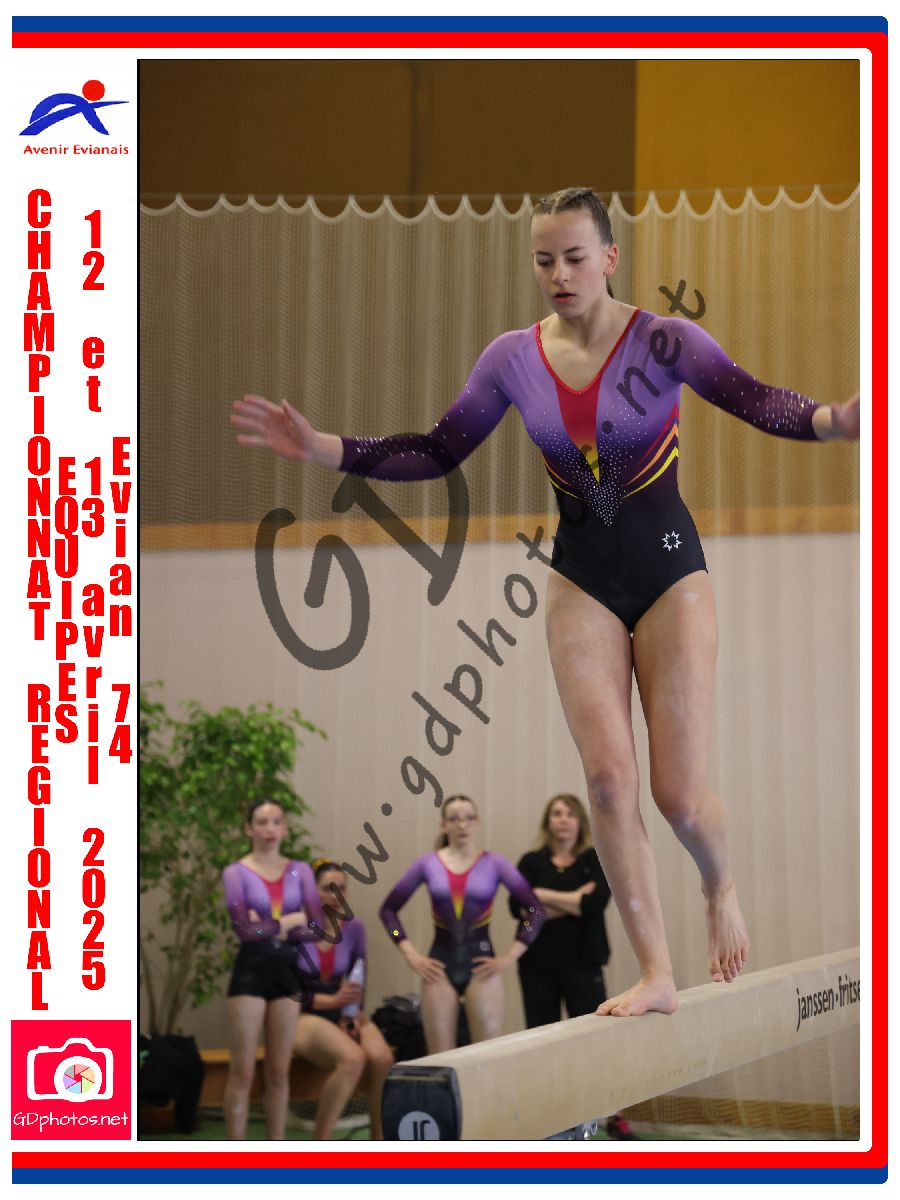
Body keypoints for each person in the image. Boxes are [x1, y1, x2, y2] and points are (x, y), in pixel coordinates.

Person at [232, 185, 860, 1018]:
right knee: (607, 783)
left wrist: (834, 420)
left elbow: (756, 398)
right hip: (580, 580)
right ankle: (657, 972)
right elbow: (438, 449)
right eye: (543, 260)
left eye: (573, 258)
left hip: (671, 574)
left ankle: (719, 882)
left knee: (677, 795)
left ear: (609, 258)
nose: (559, 274)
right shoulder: (512, 359)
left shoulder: (667, 341)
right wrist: (323, 447)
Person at [378, 795, 546, 1052]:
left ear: (477, 822)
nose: (462, 825)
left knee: (486, 1055)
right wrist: (410, 954)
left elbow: (536, 910)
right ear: (443, 825)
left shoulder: (495, 864)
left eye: (468, 818)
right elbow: (388, 910)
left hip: (482, 968)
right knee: (440, 1058)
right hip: (439, 968)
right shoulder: (428, 864)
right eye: (454, 819)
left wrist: (510, 957)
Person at [512, 793, 634, 1139]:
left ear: (580, 821)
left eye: (569, 813)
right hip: (537, 964)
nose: (563, 819)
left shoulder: (594, 859)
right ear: (547, 822)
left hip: (583, 962)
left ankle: (609, 1115)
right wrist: (574, 899)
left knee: (594, 1039)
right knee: (541, 1039)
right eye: (556, 813)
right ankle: (547, 1118)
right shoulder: (531, 862)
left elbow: (595, 903)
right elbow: (517, 907)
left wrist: (540, 896)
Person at [221, 799, 324, 1140]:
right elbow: (244, 931)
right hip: (250, 974)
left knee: (279, 1071)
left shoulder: (301, 871)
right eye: (262, 822)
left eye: (275, 821)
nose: (269, 829)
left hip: (287, 973)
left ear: (285, 828)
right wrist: (289, 921)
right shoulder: (236, 873)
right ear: (248, 828)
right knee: (243, 1071)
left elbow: (317, 927)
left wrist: (267, 926)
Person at [296, 860, 395, 1139]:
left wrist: (351, 1014)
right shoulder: (295, 928)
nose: (336, 896)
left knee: (382, 1058)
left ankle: (379, 1140)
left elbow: (358, 976)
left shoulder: (353, 928)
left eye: (342, 888)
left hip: (342, 1008)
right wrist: (332, 1002)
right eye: (328, 889)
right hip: (302, 1014)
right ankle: (321, 1141)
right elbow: (286, 992)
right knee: (352, 1059)